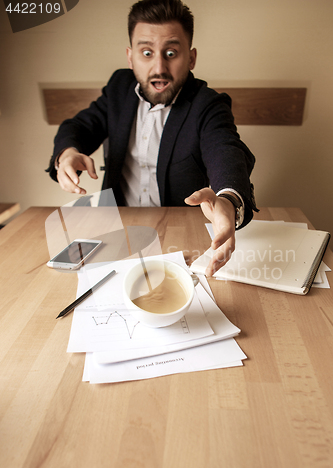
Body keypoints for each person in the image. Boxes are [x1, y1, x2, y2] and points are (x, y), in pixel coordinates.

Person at [46, 0, 258, 276]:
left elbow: (226, 151)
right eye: (147, 52)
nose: (159, 67)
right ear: (130, 56)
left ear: (191, 58)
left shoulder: (209, 104)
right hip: (119, 231)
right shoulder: (118, 88)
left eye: (171, 52)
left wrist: (228, 201)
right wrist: (67, 153)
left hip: (181, 239)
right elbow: (80, 126)